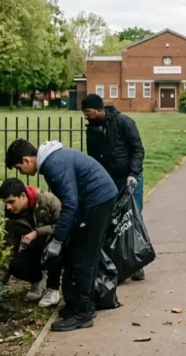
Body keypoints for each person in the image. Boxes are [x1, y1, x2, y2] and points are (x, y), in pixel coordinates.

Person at [5, 139, 118, 332]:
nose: (20, 173)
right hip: (98, 200)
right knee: (80, 255)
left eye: (18, 167)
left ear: (26, 160)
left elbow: (70, 204)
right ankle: (83, 306)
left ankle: (82, 314)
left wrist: (57, 239)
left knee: (83, 259)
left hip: (97, 202)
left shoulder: (53, 165)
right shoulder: (54, 160)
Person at [82, 93, 147, 281]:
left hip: (129, 179)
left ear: (100, 110)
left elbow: (137, 149)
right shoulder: (92, 129)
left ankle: (137, 264)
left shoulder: (124, 122)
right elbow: (93, 158)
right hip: (109, 182)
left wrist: (133, 174)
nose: (86, 116)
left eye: (88, 112)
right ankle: (120, 264)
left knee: (133, 219)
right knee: (113, 222)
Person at [0, 178, 62, 308]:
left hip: (57, 243)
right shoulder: (11, 214)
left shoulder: (48, 201)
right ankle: (37, 280)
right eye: (6, 203)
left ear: (23, 196)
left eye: (11, 202)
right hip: (35, 249)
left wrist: (37, 232)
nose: (8, 206)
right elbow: (8, 247)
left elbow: (63, 226)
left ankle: (53, 289)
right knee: (15, 264)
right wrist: (0, 283)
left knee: (54, 247)